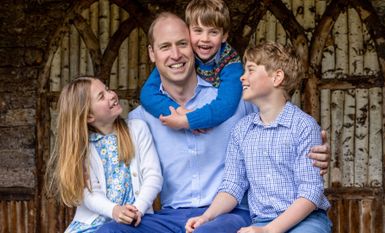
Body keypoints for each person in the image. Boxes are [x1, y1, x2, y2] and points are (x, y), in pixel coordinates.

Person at [97, 13, 330, 233]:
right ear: (152, 53)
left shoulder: (234, 102)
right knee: (110, 231)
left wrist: (317, 150)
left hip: (230, 213)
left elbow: (277, 120)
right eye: (165, 47)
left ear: (194, 47)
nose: (176, 55)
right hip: (171, 216)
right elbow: (105, 150)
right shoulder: (141, 119)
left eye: (182, 44)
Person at [185, 41, 332, 233]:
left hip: (307, 221)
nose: (242, 78)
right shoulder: (242, 130)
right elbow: (233, 185)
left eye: (250, 70)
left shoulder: (303, 126)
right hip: (262, 220)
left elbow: (310, 192)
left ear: (277, 77)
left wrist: (269, 231)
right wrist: (207, 216)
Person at [45, 76, 163, 232]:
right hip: (92, 226)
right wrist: (114, 210)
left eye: (107, 89)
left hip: (135, 221)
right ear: (89, 116)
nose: (112, 94)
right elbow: (89, 193)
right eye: (102, 96)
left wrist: (137, 209)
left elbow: (153, 176)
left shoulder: (137, 129)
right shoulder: (82, 149)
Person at [140, 0, 243, 131]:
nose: (205, 38)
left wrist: (190, 120)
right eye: (198, 31)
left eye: (213, 32)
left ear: (224, 36)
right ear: (187, 32)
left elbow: (226, 105)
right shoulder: (183, 56)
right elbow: (147, 94)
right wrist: (179, 112)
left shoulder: (231, 63)